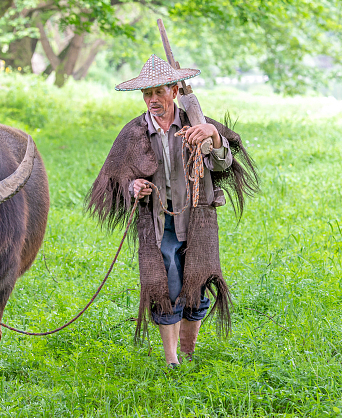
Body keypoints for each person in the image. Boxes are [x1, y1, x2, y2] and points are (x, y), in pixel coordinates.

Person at [87, 54, 258, 367]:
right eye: (147, 93)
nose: (153, 99)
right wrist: (134, 187)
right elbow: (117, 179)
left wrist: (214, 136)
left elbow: (223, 163)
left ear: (175, 91)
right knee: (165, 283)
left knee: (198, 279)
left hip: (198, 217)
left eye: (159, 92)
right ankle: (171, 359)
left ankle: (189, 350)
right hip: (158, 221)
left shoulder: (198, 123)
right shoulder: (134, 132)